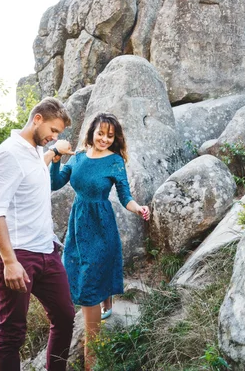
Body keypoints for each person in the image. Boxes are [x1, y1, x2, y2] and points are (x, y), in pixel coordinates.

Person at [49, 112, 150, 370]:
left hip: (102, 227)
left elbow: (125, 194)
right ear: (92, 131)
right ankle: (103, 304)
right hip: (78, 225)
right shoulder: (79, 157)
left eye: (110, 135)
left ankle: (91, 361)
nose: (104, 138)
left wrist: (138, 208)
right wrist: (56, 158)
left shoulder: (115, 161)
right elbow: (55, 182)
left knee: (90, 283)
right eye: (101, 133)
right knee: (76, 271)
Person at [0, 97, 76, 371]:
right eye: (53, 130)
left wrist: (55, 151)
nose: (54, 136)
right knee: (12, 334)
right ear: (37, 119)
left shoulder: (35, 151)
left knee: (65, 316)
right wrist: (9, 261)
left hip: (47, 252)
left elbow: (40, 164)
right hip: (18, 256)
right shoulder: (7, 154)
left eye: (58, 134)